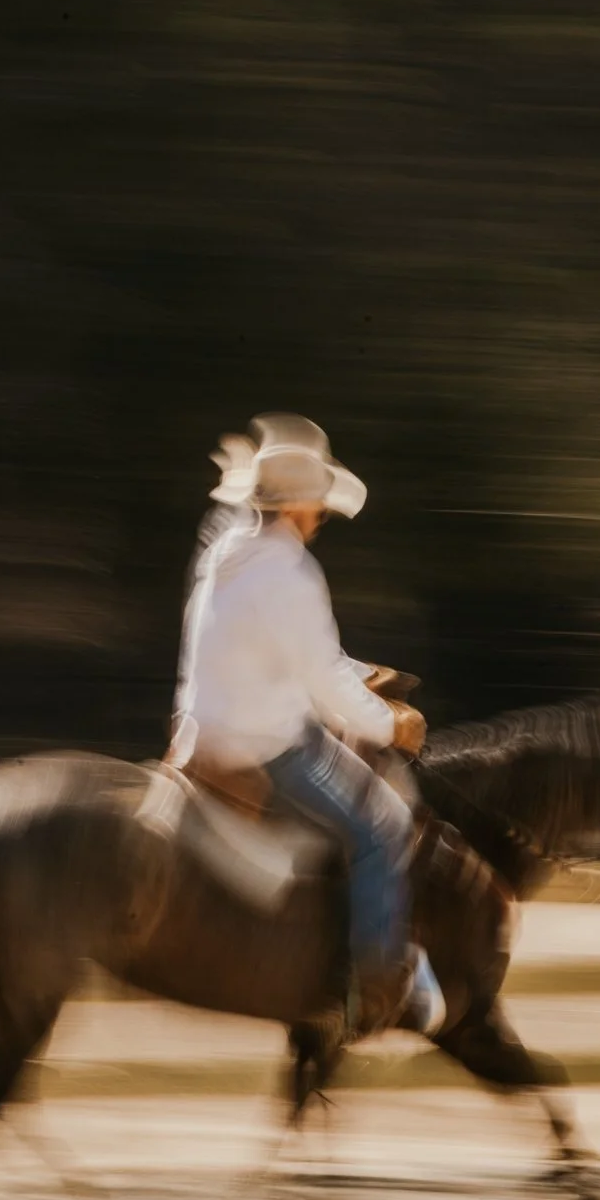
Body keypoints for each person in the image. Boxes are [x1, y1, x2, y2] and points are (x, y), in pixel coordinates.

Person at [168, 413, 443, 1037]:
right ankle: (378, 983)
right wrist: (390, 726)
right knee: (383, 825)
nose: (321, 514)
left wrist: (361, 669)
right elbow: (323, 686)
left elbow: (300, 656)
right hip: (263, 746)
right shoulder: (291, 572)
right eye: (317, 503)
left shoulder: (226, 549)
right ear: (297, 507)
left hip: (198, 732)